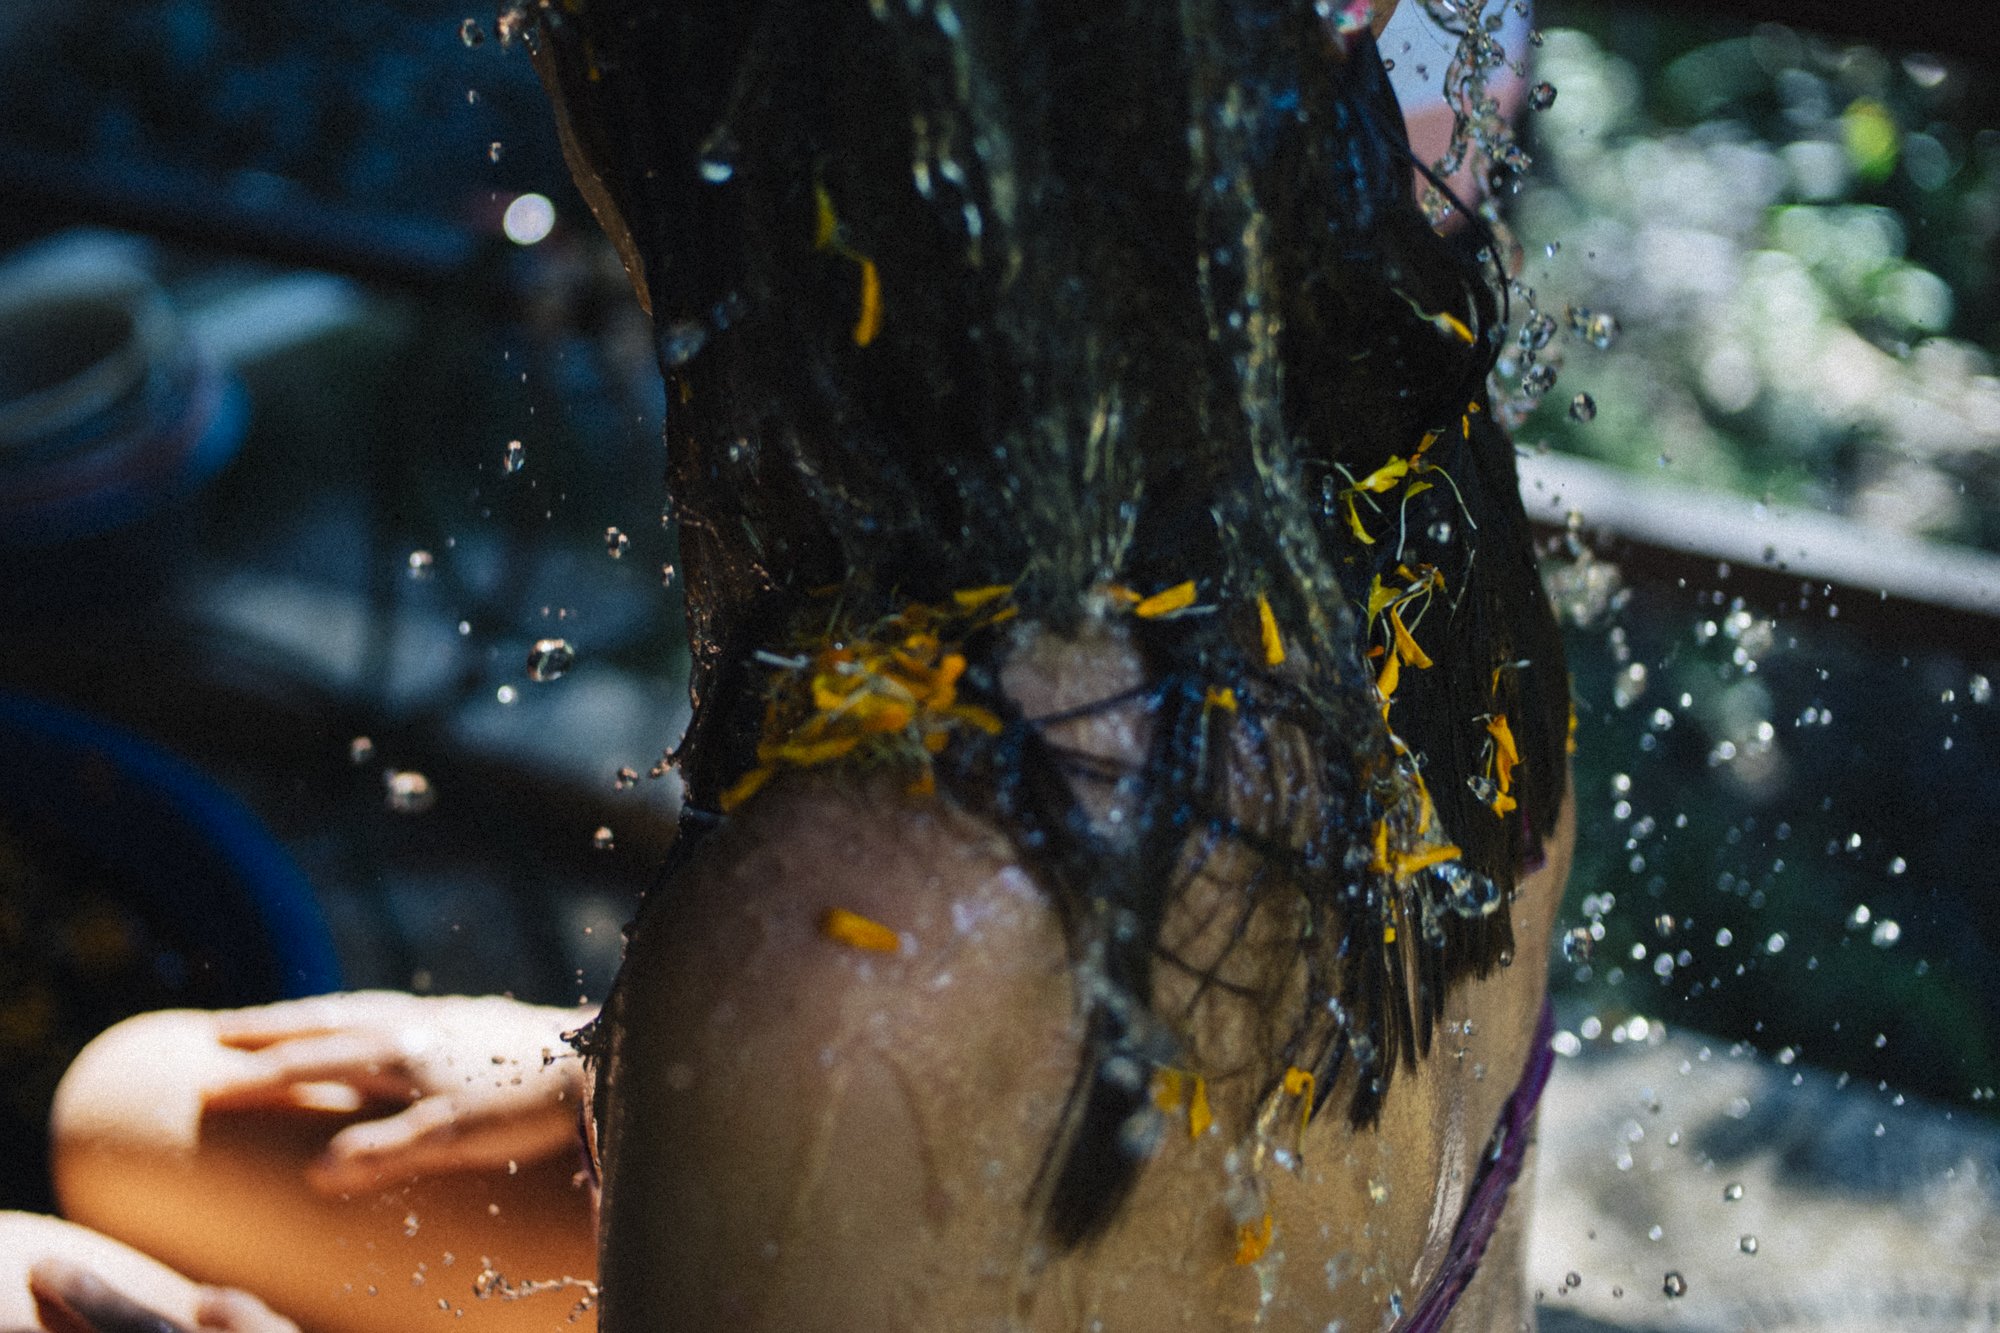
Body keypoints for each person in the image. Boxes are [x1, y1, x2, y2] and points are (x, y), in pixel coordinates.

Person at [8, 2, 1573, 1329]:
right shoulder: (1401, 470)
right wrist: (615, 1094)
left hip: (894, 1063)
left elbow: (916, 997)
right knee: (126, 1106)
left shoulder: (857, 944)